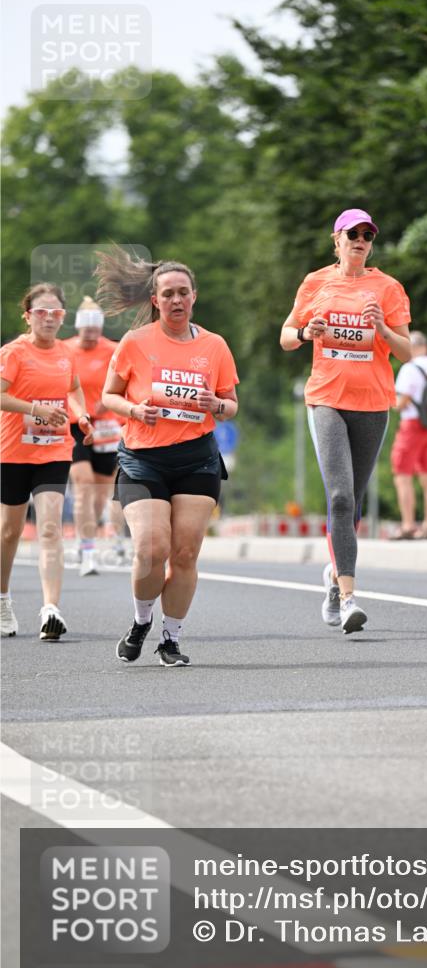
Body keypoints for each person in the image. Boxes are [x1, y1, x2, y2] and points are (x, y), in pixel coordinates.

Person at [97, 249, 238, 666]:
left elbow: (231, 405)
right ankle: (141, 621)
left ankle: (170, 638)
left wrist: (216, 405)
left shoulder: (214, 346)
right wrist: (135, 410)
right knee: (151, 549)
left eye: (183, 293)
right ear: (155, 300)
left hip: (197, 459)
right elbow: (109, 395)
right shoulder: (136, 343)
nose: (176, 301)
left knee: (185, 554)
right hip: (143, 459)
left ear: (194, 296)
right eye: (168, 294)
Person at [280, 208, 411, 633]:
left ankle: (335, 575)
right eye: (351, 233)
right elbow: (285, 336)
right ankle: (349, 595)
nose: (360, 240)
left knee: (352, 501)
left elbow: (407, 352)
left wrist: (383, 330)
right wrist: (306, 333)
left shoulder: (388, 288)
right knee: (338, 496)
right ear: (335, 240)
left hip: (372, 402)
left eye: (367, 234)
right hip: (326, 399)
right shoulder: (315, 283)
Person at [0, 283, 93, 640]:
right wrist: (35, 409)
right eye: (41, 312)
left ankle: (50, 608)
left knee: (50, 527)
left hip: (54, 450)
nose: (50, 318)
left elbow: (73, 388)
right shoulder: (14, 353)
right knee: (9, 532)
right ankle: (4, 600)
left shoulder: (65, 353)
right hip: (13, 451)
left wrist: (81, 416)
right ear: (28, 316)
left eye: (57, 313)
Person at [64, 297, 124, 577]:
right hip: (75, 424)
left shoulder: (113, 350)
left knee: (100, 492)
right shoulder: (64, 349)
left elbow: (125, 383)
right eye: (85, 327)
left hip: (107, 425)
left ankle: (84, 536)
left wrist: (112, 404)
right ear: (78, 327)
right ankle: (88, 551)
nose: (90, 332)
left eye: (95, 327)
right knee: (84, 485)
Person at [390, 331, 427, 540]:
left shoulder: (410, 368)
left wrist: (391, 404)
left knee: (402, 475)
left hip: (412, 425)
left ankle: (408, 525)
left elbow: (402, 402)